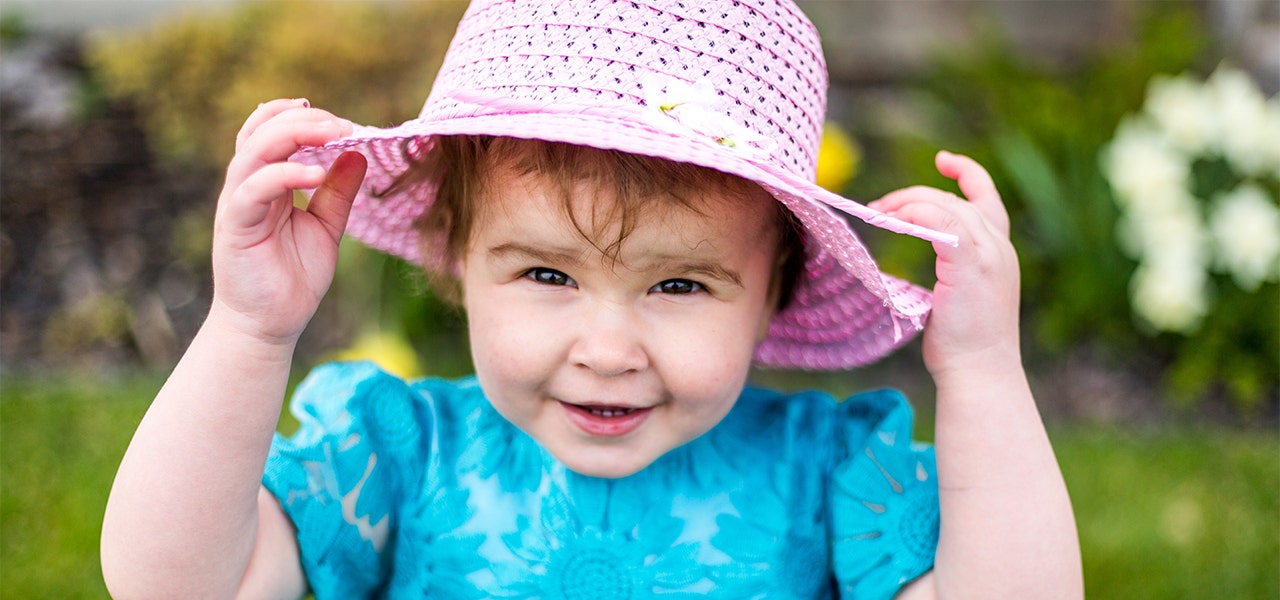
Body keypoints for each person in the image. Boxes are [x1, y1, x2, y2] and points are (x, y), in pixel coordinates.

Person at [101, 0, 1082, 598]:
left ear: (775, 292)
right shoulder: (392, 454)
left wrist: (984, 371)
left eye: (679, 284)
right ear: (454, 260)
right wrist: (248, 331)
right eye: (547, 274)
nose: (607, 347)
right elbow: (172, 585)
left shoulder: (823, 478)